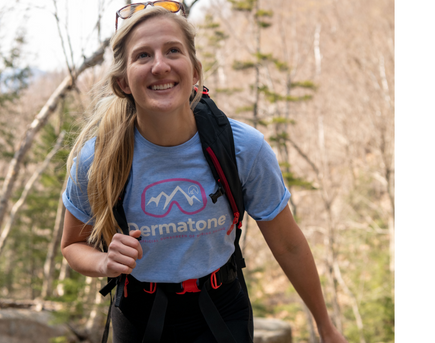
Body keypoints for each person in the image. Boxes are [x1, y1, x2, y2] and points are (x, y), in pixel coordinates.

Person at [61, 2, 348, 343]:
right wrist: (105, 262)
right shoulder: (99, 157)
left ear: (195, 71)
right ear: (123, 82)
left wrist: (325, 327)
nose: (160, 66)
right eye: (142, 56)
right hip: (137, 313)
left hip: (221, 310)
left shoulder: (242, 148)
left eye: (173, 50)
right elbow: (73, 244)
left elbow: (288, 245)